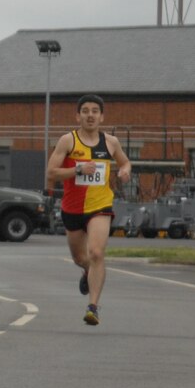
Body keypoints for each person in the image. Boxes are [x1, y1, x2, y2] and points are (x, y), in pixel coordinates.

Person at [45, 93, 131, 327]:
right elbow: (51, 173)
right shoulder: (68, 141)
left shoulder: (111, 142)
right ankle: (86, 272)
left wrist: (125, 171)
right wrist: (77, 171)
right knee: (80, 258)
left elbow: (125, 162)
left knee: (96, 253)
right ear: (78, 116)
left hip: (100, 205)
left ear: (102, 117)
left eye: (95, 111)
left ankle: (93, 307)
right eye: (85, 111)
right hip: (72, 208)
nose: (90, 115)